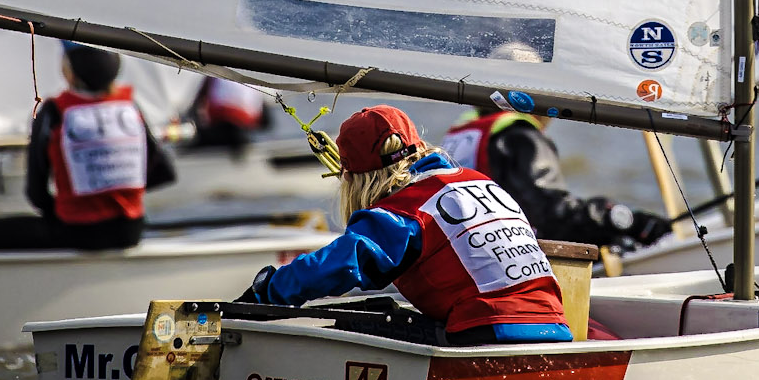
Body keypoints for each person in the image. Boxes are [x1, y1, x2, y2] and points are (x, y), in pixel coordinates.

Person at [237, 104, 573, 346]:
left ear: (356, 179)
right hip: (556, 329)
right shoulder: (480, 181)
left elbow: (341, 263)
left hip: (491, 333)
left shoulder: (406, 208)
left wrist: (266, 291)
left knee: (357, 327)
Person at [0, 42, 175, 252]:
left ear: (69, 72)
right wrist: (116, 196)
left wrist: (72, 209)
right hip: (130, 230)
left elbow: (36, 194)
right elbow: (163, 172)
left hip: (77, 232)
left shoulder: (54, 112)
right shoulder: (129, 107)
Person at [441, 104, 673, 250]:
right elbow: (553, 218)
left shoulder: (464, 131)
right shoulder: (519, 136)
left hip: (467, 254)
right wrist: (625, 220)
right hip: (506, 264)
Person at [186, 75, 271, 150]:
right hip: (243, 129)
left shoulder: (214, 72)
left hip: (224, 127)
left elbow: (199, 99)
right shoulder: (255, 76)